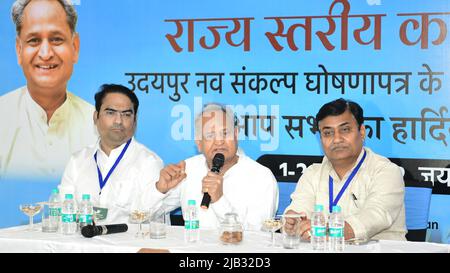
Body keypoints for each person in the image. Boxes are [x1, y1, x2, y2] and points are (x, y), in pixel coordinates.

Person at [0, 0, 97, 180]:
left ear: (75, 47)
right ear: (19, 50)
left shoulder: (99, 128)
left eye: (56, 39)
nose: (45, 53)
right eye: (34, 40)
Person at [285, 98, 406, 241]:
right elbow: (299, 209)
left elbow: (375, 215)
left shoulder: (386, 171)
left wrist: (329, 230)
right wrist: (294, 222)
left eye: (345, 130)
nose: (336, 139)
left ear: (361, 132)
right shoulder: (312, 174)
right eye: (328, 133)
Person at [154, 103, 279, 231]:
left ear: (236, 134)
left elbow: (258, 236)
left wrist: (220, 201)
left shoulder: (261, 177)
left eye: (225, 133)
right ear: (199, 143)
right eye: (210, 135)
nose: (219, 141)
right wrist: (159, 190)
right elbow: (144, 215)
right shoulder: (188, 170)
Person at [58, 84, 164, 224]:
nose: (118, 121)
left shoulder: (149, 162)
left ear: (135, 121)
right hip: (82, 242)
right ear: (96, 117)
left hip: (129, 244)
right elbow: (64, 209)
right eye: (110, 112)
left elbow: (149, 217)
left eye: (126, 114)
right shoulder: (78, 161)